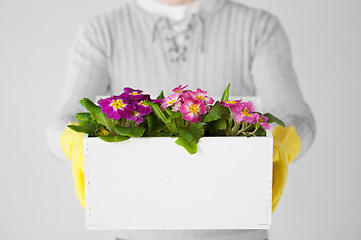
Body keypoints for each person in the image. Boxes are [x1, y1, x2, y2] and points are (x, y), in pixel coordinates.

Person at [46, 0, 316, 239]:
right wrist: (76, 145)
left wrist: (281, 145)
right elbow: (62, 121)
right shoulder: (101, 31)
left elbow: (295, 113)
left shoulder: (258, 27)